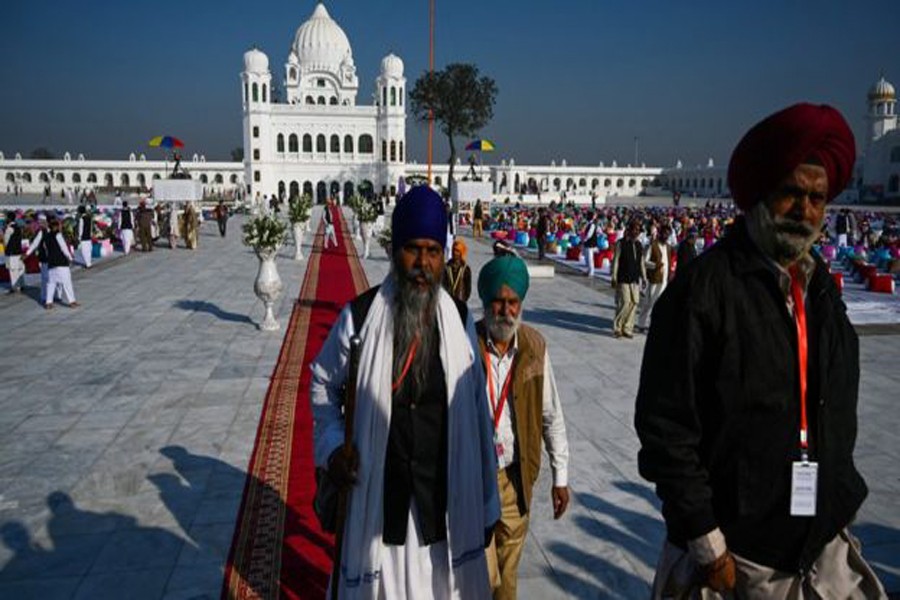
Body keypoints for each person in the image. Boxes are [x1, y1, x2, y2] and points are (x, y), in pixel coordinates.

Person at [635, 103, 886, 599]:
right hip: (736, 560)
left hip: (819, 554)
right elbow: (666, 430)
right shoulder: (705, 289)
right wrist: (708, 547)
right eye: (791, 192)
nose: (805, 210)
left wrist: (838, 497)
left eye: (817, 197)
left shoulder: (821, 293)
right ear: (760, 193)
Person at [310, 186, 500, 599]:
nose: (423, 263)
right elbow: (323, 381)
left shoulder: (461, 322)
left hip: (443, 511)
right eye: (413, 249)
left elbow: (479, 416)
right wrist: (330, 445)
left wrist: (487, 502)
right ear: (396, 251)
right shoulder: (359, 319)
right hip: (381, 508)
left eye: (433, 251)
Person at [475, 255, 569, 600]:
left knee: (507, 576)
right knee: (482, 575)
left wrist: (560, 477)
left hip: (516, 478)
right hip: (477, 480)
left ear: (521, 304)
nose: (505, 311)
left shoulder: (534, 347)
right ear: (485, 303)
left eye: (512, 302)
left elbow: (551, 415)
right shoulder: (467, 346)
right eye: (498, 302)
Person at [610, 219, 646, 339]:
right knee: (625, 302)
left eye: (638, 230)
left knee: (634, 303)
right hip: (623, 277)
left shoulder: (639, 245)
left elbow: (641, 262)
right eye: (634, 230)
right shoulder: (621, 243)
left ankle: (627, 327)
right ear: (629, 230)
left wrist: (644, 277)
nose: (636, 232)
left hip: (635, 279)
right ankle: (617, 327)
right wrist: (614, 276)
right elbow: (616, 261)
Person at [636, 224, 670, 333]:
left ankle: (654, 325)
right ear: (660, 233)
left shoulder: (668, 247)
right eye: (664, 233)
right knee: (649, 303)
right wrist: (656, 265)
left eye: (668, 234)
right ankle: (641, 324)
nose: (666, 236)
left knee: (659, 305)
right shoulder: (653, 245)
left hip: (664, 280)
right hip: (654, 279)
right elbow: (644, 261)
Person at [42, 218, 78, 309]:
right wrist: (70, 257)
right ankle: (72, 301)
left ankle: (48, 302)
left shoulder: (46, 236)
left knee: (51, 283)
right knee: (67, 283)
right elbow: (63, 247)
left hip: (51, 262)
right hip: (61, 262)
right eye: (59, 226)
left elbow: (46, 249)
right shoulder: (58, 235)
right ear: (56, 227)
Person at [24, 214, 52, 304]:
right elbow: (35, 244)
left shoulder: (52, 230)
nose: (40, 224)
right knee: (45, 278)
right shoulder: (41, 232)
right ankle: (44, 297)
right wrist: (27, 253)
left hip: (53, 258)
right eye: (39, 222)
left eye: (41, 222)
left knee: (53, 279)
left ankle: (53, 296)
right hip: (44, 258)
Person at [442, 239, 472, 303]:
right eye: (453, 250)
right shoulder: (446, 267)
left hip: (460, 300)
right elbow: (443, 284)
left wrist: (463, 299)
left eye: (457, 251)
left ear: (461, 252)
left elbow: (468, 288)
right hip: (448, 301)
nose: (455, 253)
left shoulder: (465, 269)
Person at [3, 212, 25, 293]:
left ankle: (15, 286)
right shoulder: (18, 227)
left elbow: (6, 241)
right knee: (19, 268)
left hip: (11, 252)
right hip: (18, 251)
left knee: (13, 270)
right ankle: (21, 284)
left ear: (9, 218)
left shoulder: (9, 228)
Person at [582, 212, 598, 277]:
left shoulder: (592, 225)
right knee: (586, 257)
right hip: (587, 242)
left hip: (590, 243)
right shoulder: (589, 224)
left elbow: (589, 234)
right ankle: (588, 270)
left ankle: (591, 271)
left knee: (590, 258)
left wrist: (584, 240)